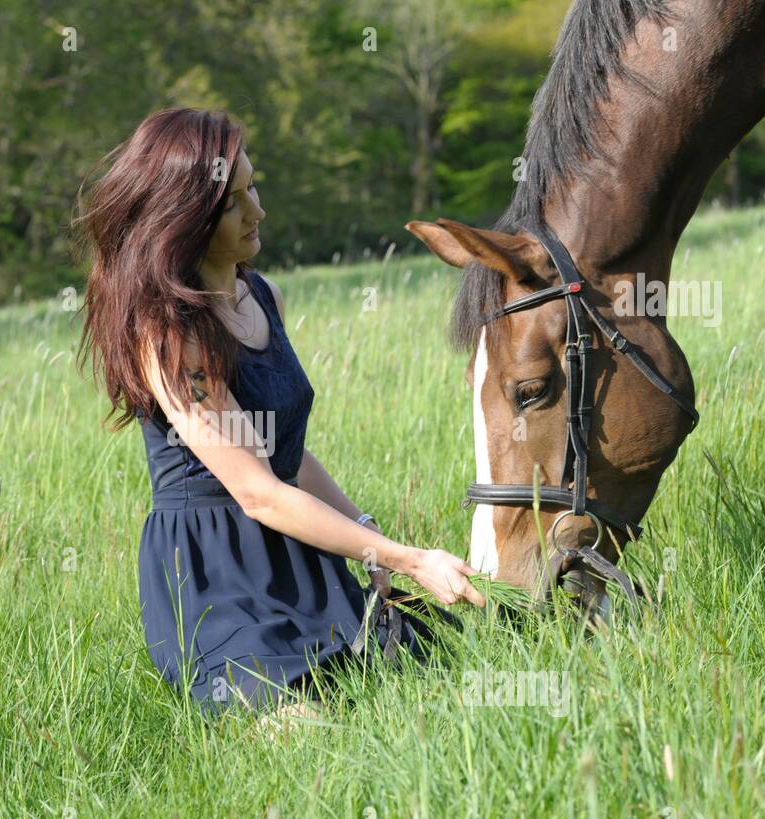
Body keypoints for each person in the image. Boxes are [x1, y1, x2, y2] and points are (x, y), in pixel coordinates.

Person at [73, 107, 485, 718]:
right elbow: (258, 491)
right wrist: (409, 558)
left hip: (294, 544)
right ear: (186, 220)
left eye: (252, 187)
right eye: (235, 203)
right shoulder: (169, 334)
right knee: (305, 723)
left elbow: (286, 456)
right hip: (216, 574)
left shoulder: (265, 297)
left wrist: (368, 540)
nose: (258, 211)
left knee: (426, 671)